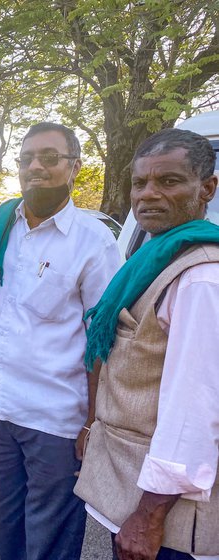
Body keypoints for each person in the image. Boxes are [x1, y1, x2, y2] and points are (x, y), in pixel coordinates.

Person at [0, 122, 120, 560]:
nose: (35, 167)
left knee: (51, 540)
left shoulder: (93, 241)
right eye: (26, 159)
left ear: (74, 167)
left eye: (49, 158)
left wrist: (93, 424)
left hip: (57, 417)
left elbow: (103, 340)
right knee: (7, 533)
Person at [75, 128, 219, 560]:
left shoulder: (200, 277)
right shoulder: (154, 258)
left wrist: (149, 517)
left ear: (207, 188)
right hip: (131, 484)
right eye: (140, 183)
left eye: (169, 181)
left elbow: (194, 412)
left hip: (165, 514)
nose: (149, 195)